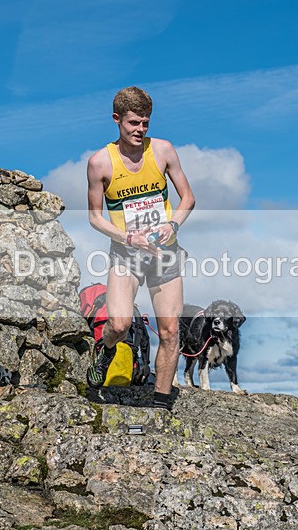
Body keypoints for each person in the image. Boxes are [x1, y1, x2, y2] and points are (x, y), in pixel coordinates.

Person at [86, 86, 195, 409]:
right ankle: (104, 351)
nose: (140, 130)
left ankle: (160, 404)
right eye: (134, 123)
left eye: (145, 123)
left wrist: (172, 224)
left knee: (170, 330)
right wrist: (127, 238)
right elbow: (94, 217)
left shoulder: (162, 151)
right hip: (126, 255)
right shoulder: (99, 163)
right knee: (119, 324)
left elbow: (188, 197)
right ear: (117, 119)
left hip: (165, 254)